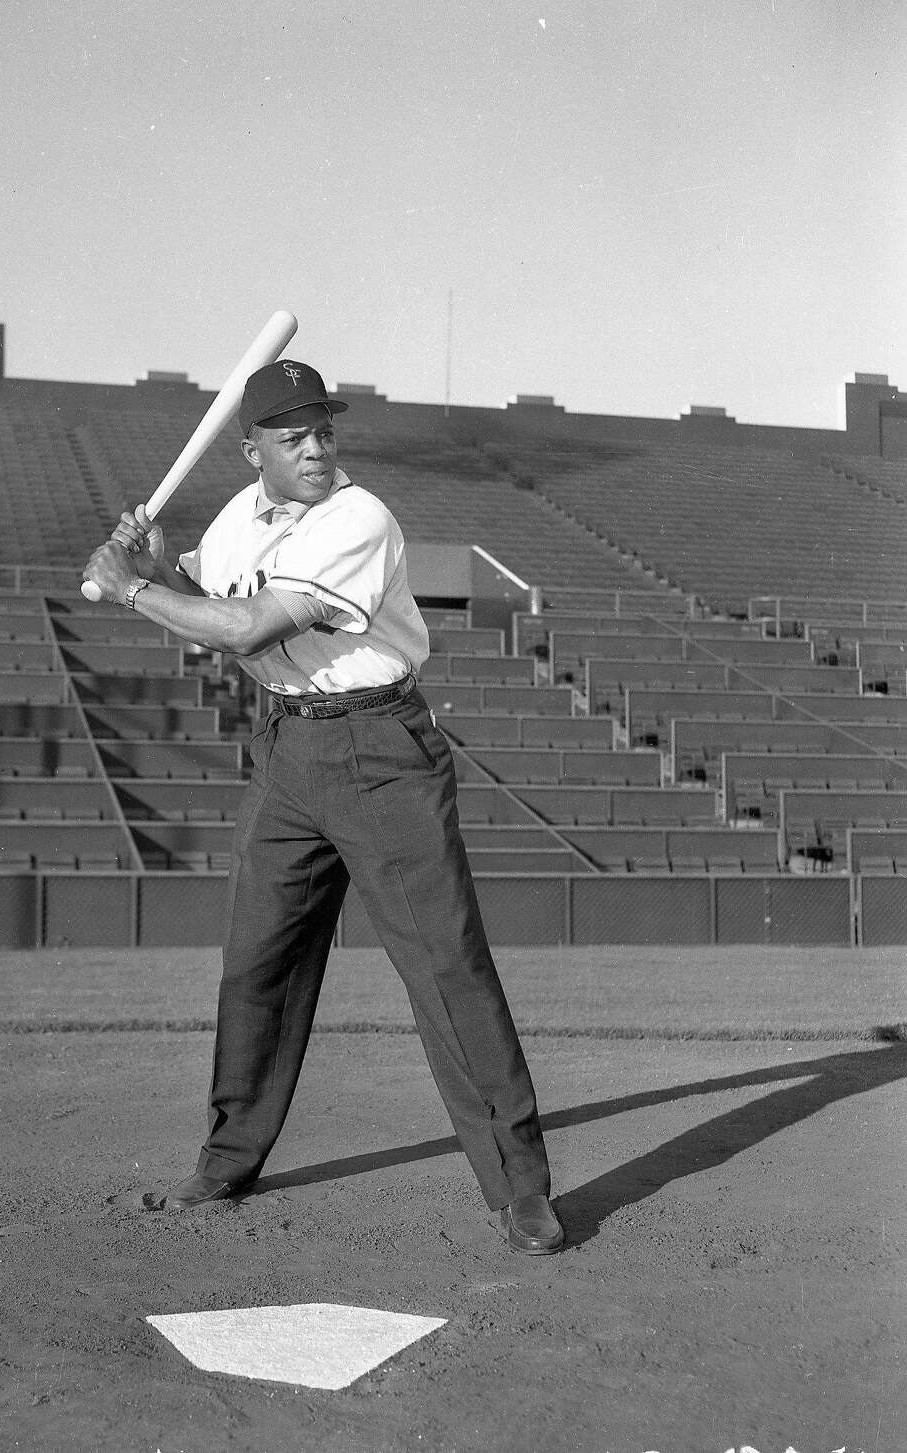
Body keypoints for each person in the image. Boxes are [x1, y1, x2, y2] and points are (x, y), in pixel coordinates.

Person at [82, 359, 563, 1254]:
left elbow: (252, 629)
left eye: (323, 432)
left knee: (445, 968)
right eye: (293, 436)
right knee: (255, 963)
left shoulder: (358, 516)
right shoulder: (235, 520)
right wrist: (154, 565)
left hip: (381, 751)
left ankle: (521, 1190)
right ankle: (227, 1160)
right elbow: (208, 600)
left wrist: (132, 590)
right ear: (253, 447)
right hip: (289, 749)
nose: (315, 448)